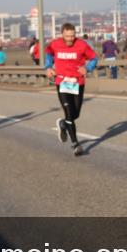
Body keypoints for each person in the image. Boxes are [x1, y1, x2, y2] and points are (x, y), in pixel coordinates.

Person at [46, 22, 97, 157]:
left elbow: (94, 58)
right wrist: (48, 67)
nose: (70, 39)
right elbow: (48, 54)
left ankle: (63, 123)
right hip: (62, 82)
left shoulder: (82, 45)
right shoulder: (55, 44)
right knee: (69, 113)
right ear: (62, 34)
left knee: (76, 114)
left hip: (77, 82)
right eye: (67, 36)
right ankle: (75, 144)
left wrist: (88, 68)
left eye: (73, 36)